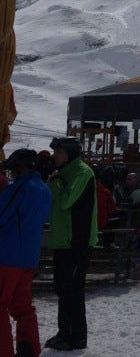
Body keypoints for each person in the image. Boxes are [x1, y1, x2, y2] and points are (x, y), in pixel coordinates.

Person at [46, 136, 98, 352]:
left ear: (69, 152)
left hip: (78, 242)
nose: (54, 156)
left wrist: (56, 183)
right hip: (62, 241)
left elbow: (66, 200)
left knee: (73, 290)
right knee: (62, 288)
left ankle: (77, 338)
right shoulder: (65, 172)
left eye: (58, 152)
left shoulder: (82, 172)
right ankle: (64, 332)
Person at [0, 149, 52, 357]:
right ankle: (28, 349)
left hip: (7, 256)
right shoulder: (43, 189)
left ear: (21, 168)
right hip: (29, 257)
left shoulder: (21, 188)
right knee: (22, 307)